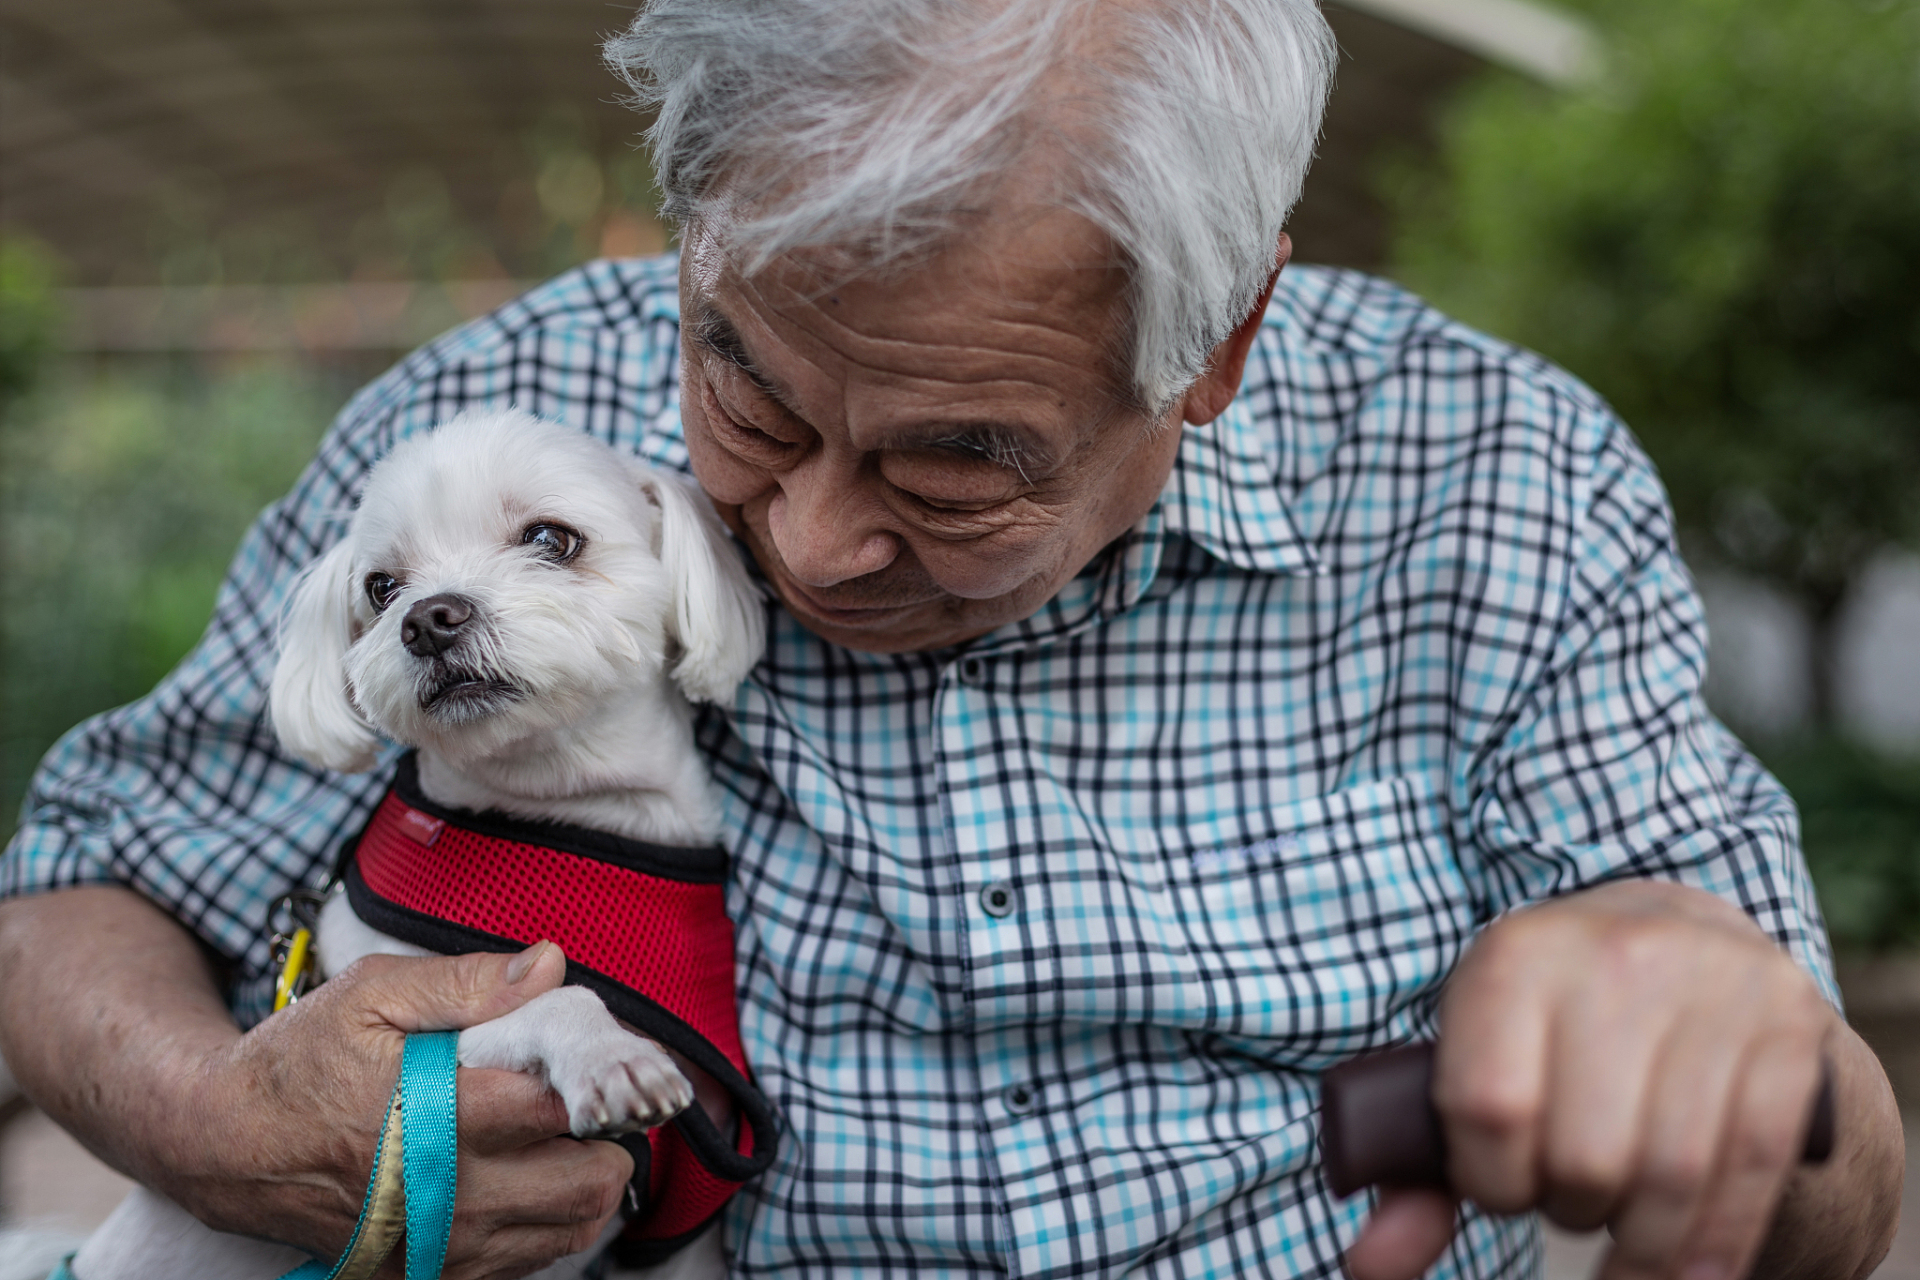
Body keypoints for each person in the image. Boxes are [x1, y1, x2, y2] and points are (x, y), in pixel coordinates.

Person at [0, 1, 1901, 1277]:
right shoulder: (502, 423)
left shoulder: (1498, 476)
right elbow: (83, 887)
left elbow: (1843, 1176)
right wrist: (232, 1126)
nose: (813, 540)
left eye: (961, 461)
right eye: (744, 384)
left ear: (1216, 347)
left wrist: (1741, 1064)